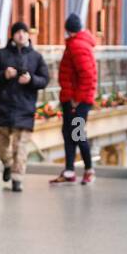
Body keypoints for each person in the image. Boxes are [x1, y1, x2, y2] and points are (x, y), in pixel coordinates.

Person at [0, 22, 49, 192]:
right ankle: (8, 163)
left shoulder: (36, 57)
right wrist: (4, 75)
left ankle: (17, 179)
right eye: (18, 32)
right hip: (3, 106)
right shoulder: (1, 54)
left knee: (20, 146)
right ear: (12, 35)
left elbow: (45, 79)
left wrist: (31, 80)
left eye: (24, 31)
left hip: (24, 107)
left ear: (28, 35)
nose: (21, 34)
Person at [52, 13, 98, 185]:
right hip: (73, 99)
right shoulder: (78, 43)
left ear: (68, 30)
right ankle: (70, 170)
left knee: (77, 134)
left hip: (77, 101)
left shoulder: (77, 45)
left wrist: (76, 100)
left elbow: (87, 75)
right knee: (69, 134)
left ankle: (89, 170)